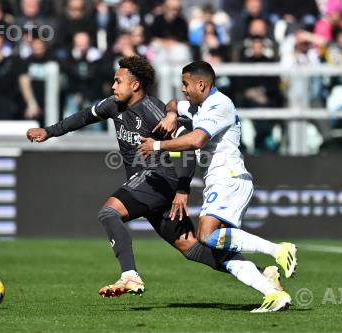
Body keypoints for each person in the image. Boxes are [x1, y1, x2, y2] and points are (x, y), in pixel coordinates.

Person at [26, 56, 282, 301]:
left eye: (118, 81)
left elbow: (190, 149)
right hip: (147, 185)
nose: (113, 86)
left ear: (135, 85)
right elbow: (83, 117)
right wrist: (48, 132)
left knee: (108, 213)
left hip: (158, 178)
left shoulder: (153, 110)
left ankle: (130, 276)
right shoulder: (111, 105)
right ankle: (262, 274)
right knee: (192, 248)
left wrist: (183, 189)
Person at [138, 61, 297, 312]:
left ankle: (279, 250)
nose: (183, 89)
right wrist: (171, 114)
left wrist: (157, 146)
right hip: (221, 180)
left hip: (229, 178)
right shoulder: (197, 105)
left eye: (186, 84)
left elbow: (196, 139)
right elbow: (171, 104)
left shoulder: (219, 104)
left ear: (201, 84)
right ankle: (273, 292)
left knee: (206, 235)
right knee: (220, 249)